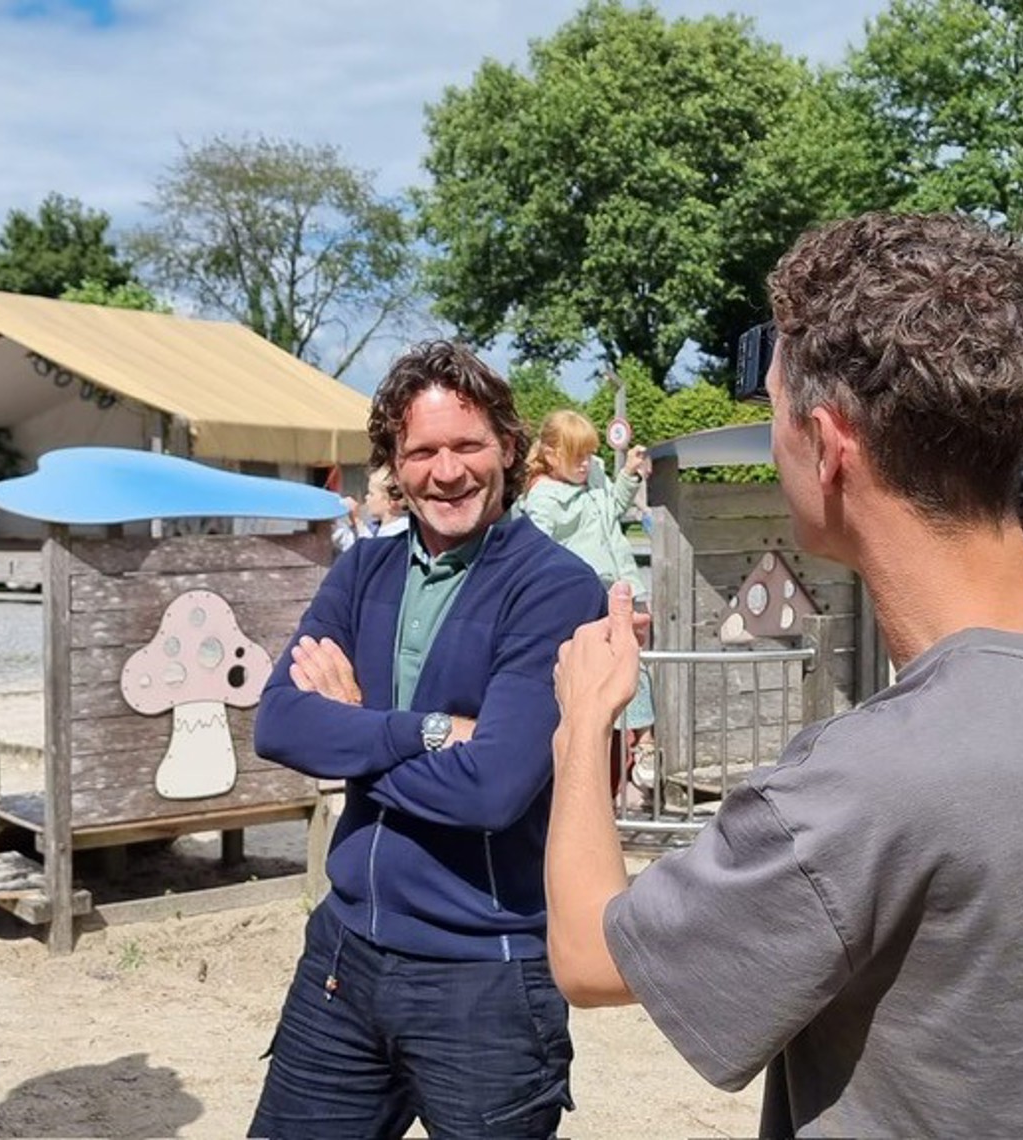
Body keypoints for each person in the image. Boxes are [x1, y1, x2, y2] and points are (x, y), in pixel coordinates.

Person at [546, 211, 1023, 1138]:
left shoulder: (866, 785)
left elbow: (588, 954)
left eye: (772, 415)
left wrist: (581, 727)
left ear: (830, 445)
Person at [249, 340, 606, 1139]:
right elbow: (276, 723)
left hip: (484, 973)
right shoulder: (360, 573)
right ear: (395, 465)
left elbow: (494, 787)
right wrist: (427, 732)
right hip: (344, 953)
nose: (448, 472)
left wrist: (349, 736)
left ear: (508, 449)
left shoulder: (555, 587)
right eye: (423, 452)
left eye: (469, 445)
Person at [520, 410, 654, 793]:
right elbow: (536, 551)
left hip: (623, 584)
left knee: (637, 664)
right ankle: (628, 750)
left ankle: (640, 745)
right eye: (576, 455)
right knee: (612, 669)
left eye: (588, 454)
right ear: (550, 452)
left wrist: (627, 474)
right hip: (584, 597)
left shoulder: (594, 469)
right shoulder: (542, 497)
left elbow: (612, 509)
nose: (585, 463)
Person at [332, 464, 409, 551]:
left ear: (391, 501)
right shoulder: (380, 527)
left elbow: (368, 554)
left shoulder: (400, 534)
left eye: (371, 494)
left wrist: (357, 519)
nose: (366, 497)